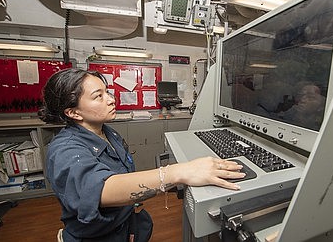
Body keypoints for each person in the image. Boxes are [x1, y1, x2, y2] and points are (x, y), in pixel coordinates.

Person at [38, 68, 245, 242]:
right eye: (98, 96)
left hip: (125, 227)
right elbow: (102, 189)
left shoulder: (107, 132)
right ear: (73, 112)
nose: (111, 99)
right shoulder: (65, 150)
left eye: (107, 92)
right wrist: (176, 172)